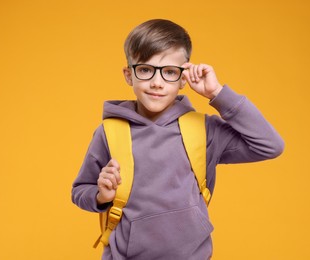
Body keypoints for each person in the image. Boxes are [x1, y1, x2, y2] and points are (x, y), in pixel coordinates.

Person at [71, 19, 284, 260]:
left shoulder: (204, 130)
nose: (157, 82)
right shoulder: (110, 132)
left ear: (184, 79)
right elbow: (80, 190)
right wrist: (101, 196)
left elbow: (270, 145)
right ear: (129, 75)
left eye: (170, 72)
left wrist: (217, 94)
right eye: (145, 70)